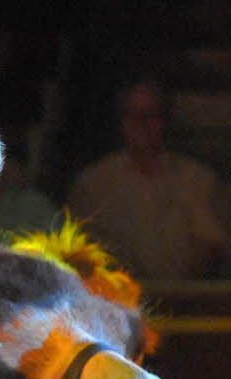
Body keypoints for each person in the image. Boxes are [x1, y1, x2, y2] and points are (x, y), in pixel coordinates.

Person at [69, 80, 230, 279]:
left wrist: (174, 290)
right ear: (121, 121)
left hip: (185, 299)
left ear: (166, 120)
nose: (142, 124)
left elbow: (211, 244)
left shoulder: (198, 180)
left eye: (151, 115)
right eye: (133, 115)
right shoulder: (94, 183)